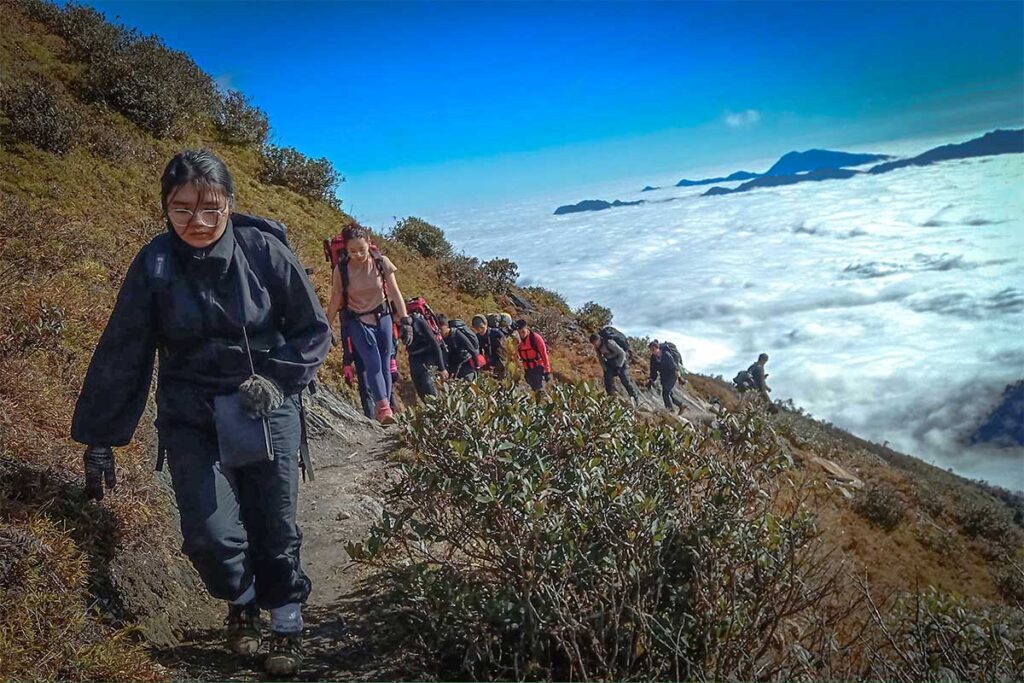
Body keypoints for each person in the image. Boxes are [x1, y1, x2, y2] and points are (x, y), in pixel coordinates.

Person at [70, 149, 331, 676]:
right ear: (165, 208)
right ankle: (244, 599)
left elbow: (312, 330)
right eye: (182, 208)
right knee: (210, 535)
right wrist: (100, 436)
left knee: (273, 524)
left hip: (265, 408)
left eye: (211, 208)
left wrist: (276, 380)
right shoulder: (156, 263)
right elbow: (125, 348)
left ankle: (285, 622)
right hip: (191, 415)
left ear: (230, 205)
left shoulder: (264, 251)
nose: (198, 221)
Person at [325, 224, 412, 425]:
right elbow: (335, 298)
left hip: (383, 318)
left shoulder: (382, 262)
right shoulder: (342, 270)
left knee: (384, 364)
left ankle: (387, 406)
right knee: (372, 363)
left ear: (369, 244)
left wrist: (405, 319)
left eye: (361, 249)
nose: (357, 254)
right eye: (352, 251)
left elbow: (395, 292)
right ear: (346, 249)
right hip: (357, 321)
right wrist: (327, 325)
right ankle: (383, 408)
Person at [406, 309, 448, 399]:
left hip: (428, 356)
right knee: (419, 385)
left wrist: (442, 368)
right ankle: (428, 409)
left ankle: (436, 408)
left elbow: (434, 343)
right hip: (414, 357)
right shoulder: (396, 323)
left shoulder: (418, 320)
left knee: (428, 384)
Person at [590, 332, 639, 403]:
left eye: (595, 342)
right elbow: (600, 358)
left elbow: (622, 353)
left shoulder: (609, 343)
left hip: (621, 362)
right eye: (593, 344)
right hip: (610, 363)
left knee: (624, 379)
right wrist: (605, 368)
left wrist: (619, 366)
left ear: (599, 339)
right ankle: (611, 399)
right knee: (607, 380)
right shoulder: (597, 348)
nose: (594, 345)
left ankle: (635, 398)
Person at [514, 319, 551, 400]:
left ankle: (544, 405)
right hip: (527, 370)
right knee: (532, 390)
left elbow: (544, 354)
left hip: (538, 368)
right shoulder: (517, 341)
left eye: (523, 332)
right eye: (519, 332)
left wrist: (547, 371)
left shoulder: (536, 338)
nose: (521, 334)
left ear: (526, 328)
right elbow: (515, 356)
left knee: (539, 390)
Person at [648, 340, 685, 412]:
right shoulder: (653, 358)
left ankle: (670, 411)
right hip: (664, 376)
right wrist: (651, 380)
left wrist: (679, 378)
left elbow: (674, 366)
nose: (652, 351)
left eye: (653, 349)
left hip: (672, 375)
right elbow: (653, 370)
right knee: (669, 392)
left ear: (658, 348)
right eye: (651, 350)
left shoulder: (666, 354)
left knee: (665, 393)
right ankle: (681, 405)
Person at [438, 315, 478, 381]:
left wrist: (477, 367)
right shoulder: (439, 338)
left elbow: (472, 350)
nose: (439, 332)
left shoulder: (457, 334)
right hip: (452, 365)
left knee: (466, 383)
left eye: (441, 329)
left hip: (465, 363)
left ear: (446, 326)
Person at [473, 314, 507, 380]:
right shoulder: (477, 337)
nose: (480, 330)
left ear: (486, 324)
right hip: (488, 361)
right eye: (477, 329)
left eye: (482, 327)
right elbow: (478, 352)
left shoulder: (497, 333)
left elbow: (505, 347)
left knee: (502, 380)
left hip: (500, 360)